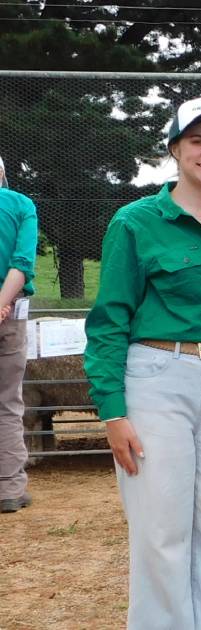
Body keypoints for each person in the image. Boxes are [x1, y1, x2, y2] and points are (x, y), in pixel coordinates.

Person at [83, 96, 201, 629]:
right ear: (174, 147)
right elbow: (108, 320)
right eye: (198, 140)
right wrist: (113, 411)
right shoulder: (136, 222)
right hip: (157, 377)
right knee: (162, 533)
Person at [0, 155, 37, 515]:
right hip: (10, 315)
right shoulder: (21, 205)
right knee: (8, 402)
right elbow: (22, 263)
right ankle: (9, 489)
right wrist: (2, 301)